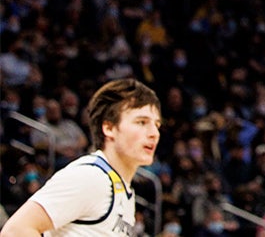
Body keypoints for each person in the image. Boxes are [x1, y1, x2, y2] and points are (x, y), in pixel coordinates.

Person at [1, 78, 163, 237]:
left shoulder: (122, 190)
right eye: (142, 122)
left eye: (156, 125)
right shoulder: (91, 176)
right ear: (109, 128)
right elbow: (15, 231)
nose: (154, 133)